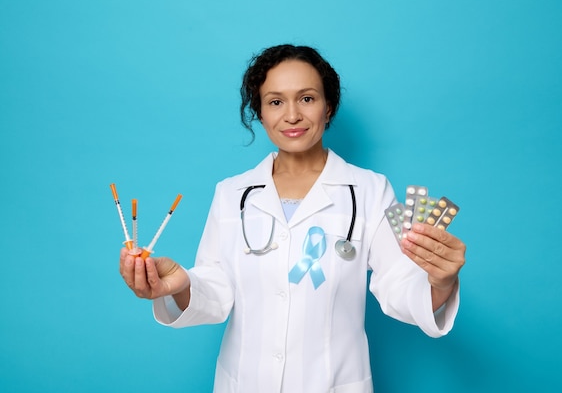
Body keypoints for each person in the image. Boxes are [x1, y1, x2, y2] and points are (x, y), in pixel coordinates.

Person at [119, 44, 466, 393]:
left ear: (328, 107)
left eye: (307, 98)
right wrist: (181, 285)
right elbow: (217, 291)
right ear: (260, 112)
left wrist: (442, 282)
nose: (292, 115)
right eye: (275, 102)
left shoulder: (372, 191)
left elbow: (399, 284)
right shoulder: (231, 193)